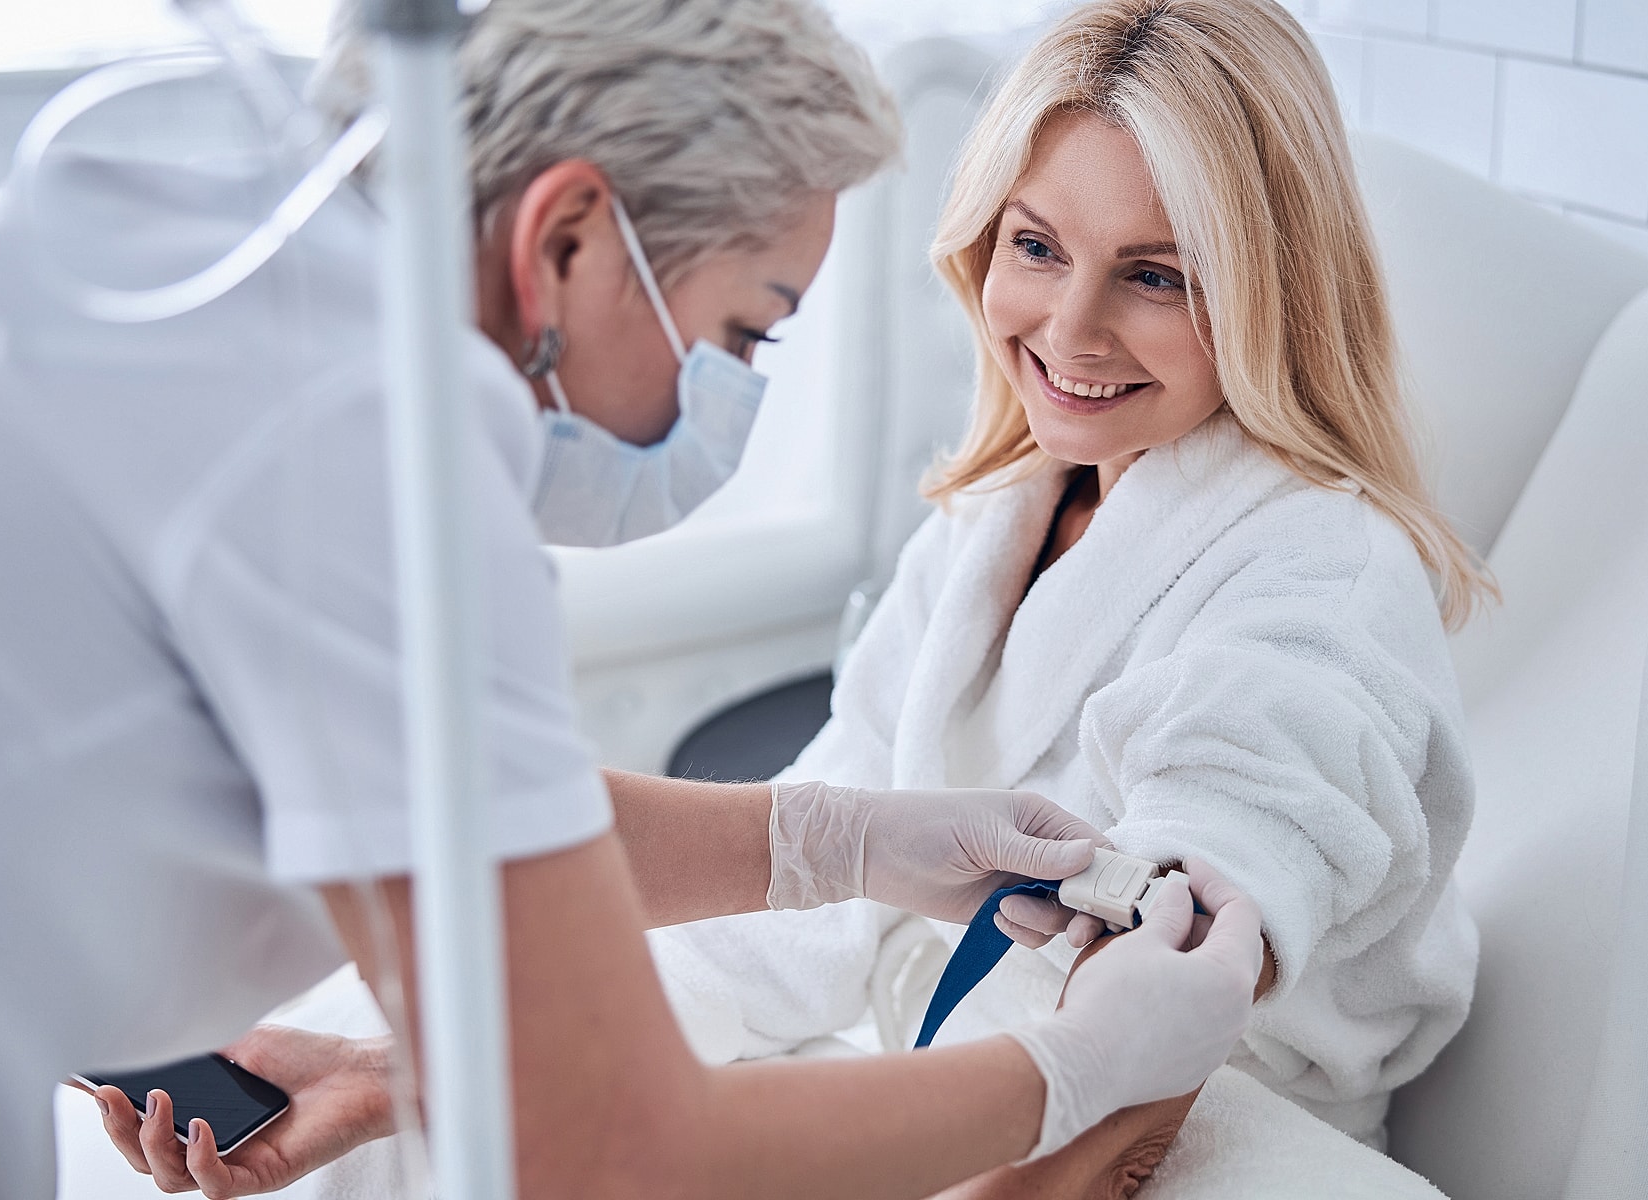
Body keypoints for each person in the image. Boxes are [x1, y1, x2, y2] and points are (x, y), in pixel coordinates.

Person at [0, 1, 1266, 1198]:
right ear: (568, 237)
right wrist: (1073, 1069)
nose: (720, 397)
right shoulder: (367, 449)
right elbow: (613, 1156)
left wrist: (843, 838)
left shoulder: (187, 272)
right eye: (743, 331)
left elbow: (463, 799)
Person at [634, 1, 1492, 1194]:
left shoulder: (1320, 586)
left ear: (1269, 294)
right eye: (1036, 247)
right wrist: (496, 1068)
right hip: (963, 1063)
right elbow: (825, 856)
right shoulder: (1002, 516)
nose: (1069, 332)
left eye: (1154, 276)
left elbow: (1176, 983)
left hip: (1201, 1137)